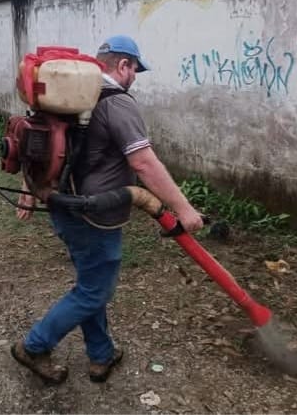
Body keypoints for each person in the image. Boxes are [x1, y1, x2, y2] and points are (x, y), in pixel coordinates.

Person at [11, 35, 204, 384]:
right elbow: (143, 162)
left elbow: (40, 146)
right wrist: (185, 209)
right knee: (94, 290)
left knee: (91, 283)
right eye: (135, 71)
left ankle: (101, 354)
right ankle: (34, 346)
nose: (134, 79)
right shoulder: (116, 102)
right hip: (94, 216)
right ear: (124, 65)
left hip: (62, 207)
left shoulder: (67, 97)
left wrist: (30, 190)